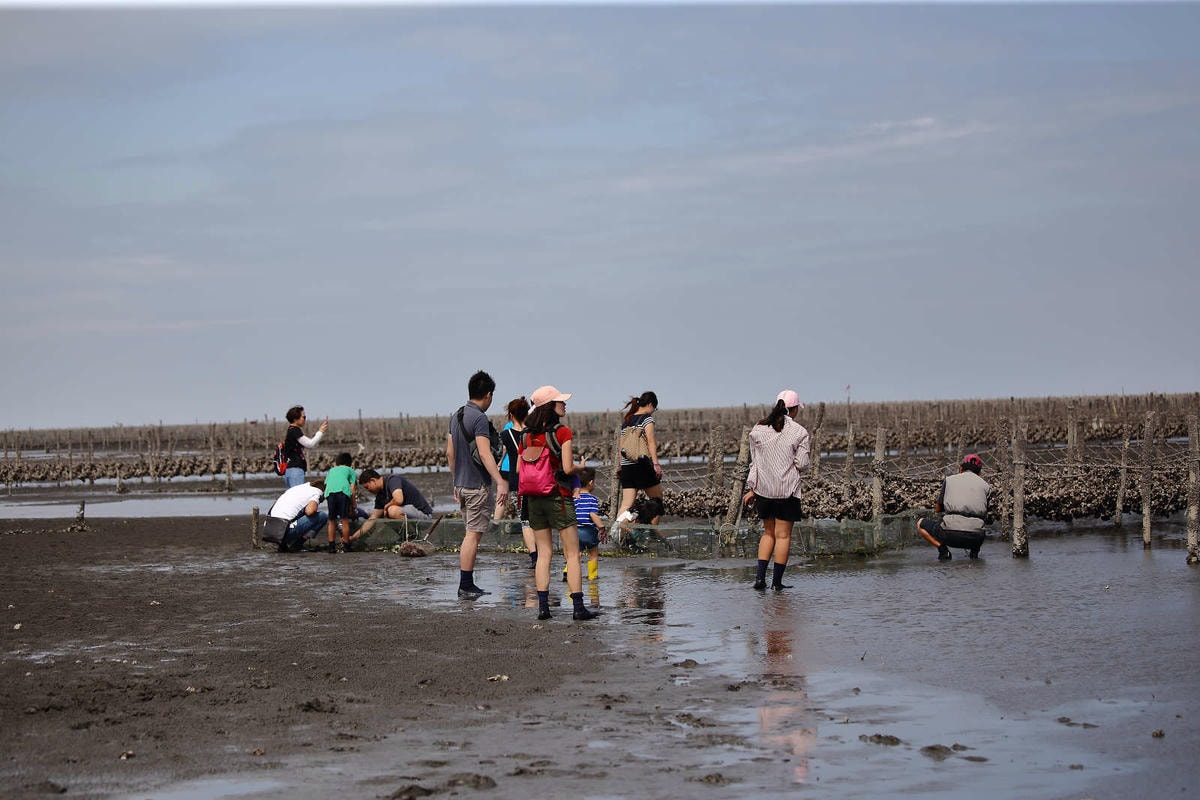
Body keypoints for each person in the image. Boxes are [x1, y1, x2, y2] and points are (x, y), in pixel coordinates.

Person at [519, 385, 599, 621]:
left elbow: (519, 468)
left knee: (543, 554)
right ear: (549, 407)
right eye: (560, 401)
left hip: (533, 499)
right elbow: (566, 468)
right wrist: (580, 469)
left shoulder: (526, 434)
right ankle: (578, 608)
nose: (564, 404)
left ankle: (543, 608)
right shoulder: (562, 433)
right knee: (572, 554)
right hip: (557, 497)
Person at [446, 370, 508, 598]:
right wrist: (500, 481)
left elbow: (449, 453)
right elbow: (484, 453)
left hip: (461, 485)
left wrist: (455, 481)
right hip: (476, 486)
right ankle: (466, 585)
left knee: (469, 533)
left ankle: (467, 583)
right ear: (489, 394)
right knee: (473, 535)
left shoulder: (457, 415)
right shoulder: (479, 418)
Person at [742, 390, 811, 591]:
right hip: (786, 492)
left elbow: (755, 462)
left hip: (763, 491)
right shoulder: (800, 432)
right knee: (783, 537)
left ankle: (759, 579)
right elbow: (802, 463)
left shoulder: (759, 428)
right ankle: (777, 583)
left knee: (768, 534)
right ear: (795, 409)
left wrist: (752, 489)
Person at [917, 454, 991, 560]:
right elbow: (984, 513)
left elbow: (938, 509)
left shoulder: (949, 480)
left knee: (920, 523)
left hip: (950, 535)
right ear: (980, 473)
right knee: (979, 525)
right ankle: (974, 555)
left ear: (961, 468)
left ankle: (943, 551)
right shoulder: (986, 486)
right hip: (976, 537)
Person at [497, 396, 538, 568]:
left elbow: (502, 452)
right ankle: (544, 551)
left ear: (511, 414)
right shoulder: (534, 432)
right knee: (538, 518)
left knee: (525, 521)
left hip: (517, 482)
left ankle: (534, 556)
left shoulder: (506, 435)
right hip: (536, 480)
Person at [616, 391, 663, 538]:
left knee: (626, 504)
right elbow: (651, 442)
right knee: (657, 501)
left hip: (627, 466)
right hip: (642, 465)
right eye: (654, 408)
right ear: (650, 404)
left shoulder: (627, 420)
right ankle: (652, 532)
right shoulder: (647, 419)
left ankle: (619, 534)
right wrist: (655, 464)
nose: (654, 412)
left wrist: (621, 466)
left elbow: (621, 446)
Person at [352, 469, 433, 540]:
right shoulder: (380, 496)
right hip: (412, 520)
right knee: (384, 515)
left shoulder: (392, 480)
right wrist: (353, 537)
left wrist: (386, 506)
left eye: (367, 487)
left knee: (391, 510)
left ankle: (413, 537)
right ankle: (406, 537)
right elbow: (371, 519)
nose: (368, 490)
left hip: (424, 518)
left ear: (373, 480)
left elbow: (398, 499)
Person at [262, 479, 328, 553]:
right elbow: (310, 511)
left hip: (268, 530)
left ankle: (283, 545)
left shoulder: (296, 488)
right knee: (322, 516)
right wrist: (318, 501)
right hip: (282, 531)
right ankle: (297, 545)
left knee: (294, 514)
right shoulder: (317, 492)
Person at [282, 406, 328, 488]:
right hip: (295, 470)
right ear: (295, 419)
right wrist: (320, 432)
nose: (305, 419)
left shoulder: (291, 430)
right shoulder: (295, 430)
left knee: (293, 497)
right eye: (303, 417)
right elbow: (310, 444)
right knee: (298, 498)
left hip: (290, 470)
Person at [572, 467, 604, 582]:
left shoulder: (573, 498)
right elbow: (592, 514)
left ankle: (567, 571)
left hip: (574, 531)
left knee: (575, 555)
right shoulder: (592, 499)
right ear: (591, 483)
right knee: (594, 553)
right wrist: (601, 527)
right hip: (588, 531)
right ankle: (592, 576)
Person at [323, 451, 357, 554]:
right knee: (344, 520)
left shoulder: (331, 470)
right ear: (349, 463)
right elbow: (352, 488)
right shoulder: (350, 470)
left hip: (330, 494)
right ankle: (346, 546)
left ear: (337, 463)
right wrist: (353, 502)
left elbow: (326, 484)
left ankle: (331, 546)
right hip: (343, 492)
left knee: (332, 520)